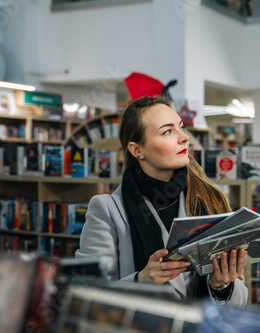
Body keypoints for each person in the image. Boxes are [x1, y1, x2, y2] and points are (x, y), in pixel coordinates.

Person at [76, 96, 248, 306]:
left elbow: (238, 300)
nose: (184, 138)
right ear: (137, 150)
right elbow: (88, 294)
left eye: (180, 127)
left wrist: (221, 285)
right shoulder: (107, 209)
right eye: (168, 131)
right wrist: (142, 280)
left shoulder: (211, 198)